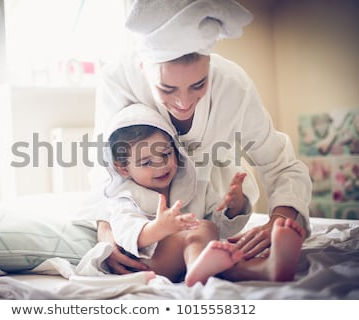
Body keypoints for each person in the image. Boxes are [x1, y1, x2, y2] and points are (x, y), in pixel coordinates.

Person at [92, 0, 311, 282]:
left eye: (199, 85)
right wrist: (106, 233)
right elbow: (105, 173)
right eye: (166, 88)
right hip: (152, 249)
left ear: (210, 65)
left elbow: (281, 164)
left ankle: (249, 267)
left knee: (204, 230)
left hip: (199, 220)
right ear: (144, 67)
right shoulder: (118, 81)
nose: (183, 103)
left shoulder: (233, 86)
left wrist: (280, 219)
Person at [101, 104, 250, 286]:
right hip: (149, 263)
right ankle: (197, 265)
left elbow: (221, 228)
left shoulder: (196, 186)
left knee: (227, 248)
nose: (161, 166)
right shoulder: (126, 197)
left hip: (187, 254)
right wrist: (159, 228)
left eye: (165, 154)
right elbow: (126, 234)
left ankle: (265, 269)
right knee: (201, 228)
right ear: (123, 168)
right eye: (147, 162)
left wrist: (233, 207)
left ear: (176, 149)